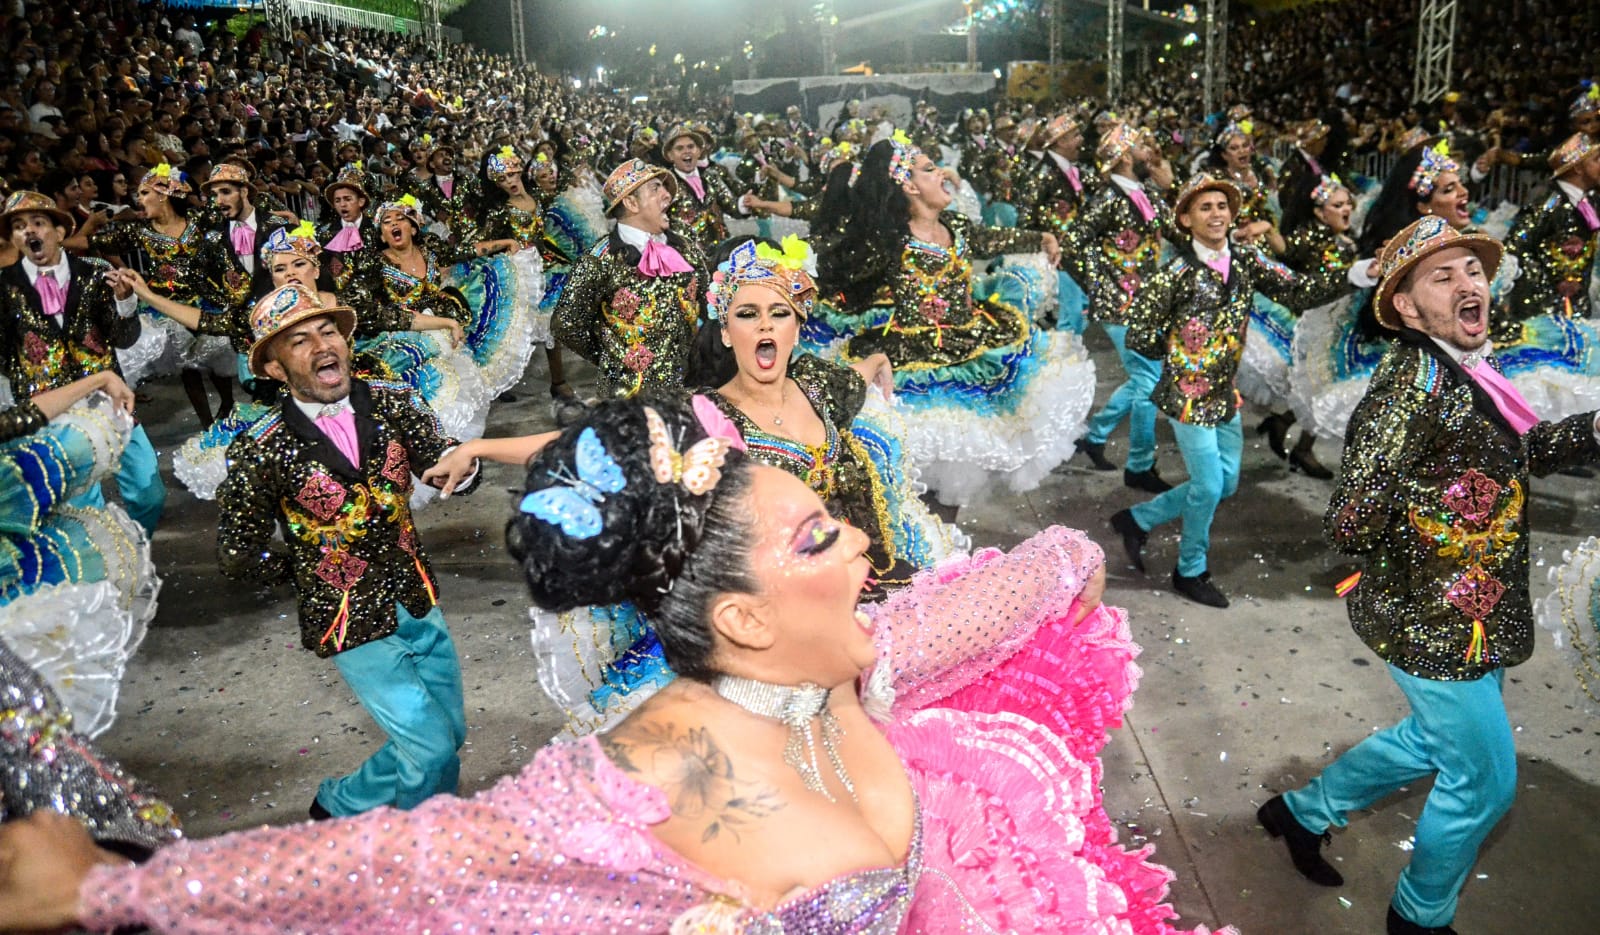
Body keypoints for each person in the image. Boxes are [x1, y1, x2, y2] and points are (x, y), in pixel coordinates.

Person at [0, 396, 1230, 935]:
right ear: (740, 620)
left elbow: (1009, 591)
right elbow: (402, 859)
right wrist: (116, 890)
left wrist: (1074, 552)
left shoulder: (853, 665)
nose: (862, 538)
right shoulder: (641, 776)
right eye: (819, 533)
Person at [1259, 217, 1600, 935]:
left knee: (1429, 744)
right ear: (1407, 307)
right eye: (1442, 277)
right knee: (1484, 782)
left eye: (1472, 271)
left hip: (1479, 609)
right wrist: (1430, 557)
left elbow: (1524, 451)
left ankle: (1298, 812)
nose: (1468, 284)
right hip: (1432, 624)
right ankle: (1418, 914)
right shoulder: (1408, 391)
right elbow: (1349, 520)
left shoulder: (1470, 364)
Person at [213, 285, 480, 820]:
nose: (321, 345)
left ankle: (343, 800)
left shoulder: (393, 398)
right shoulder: (260, 446)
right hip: (349, 619)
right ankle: (424, 850)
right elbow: (237, 554)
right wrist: (311, 572)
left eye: (328, 331)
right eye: (299, 340)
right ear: (273, 368)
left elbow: (444, 455)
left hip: (416, 594)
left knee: (449, 734)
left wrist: (463, 465)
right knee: (429, 749)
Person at [814, 135, 1090, 506]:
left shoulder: (957, 226)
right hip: (915, 367)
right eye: (929, 169)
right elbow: (838, 277)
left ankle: (943, 547)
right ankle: (929, 549)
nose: (942, 171)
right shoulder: (889, 239)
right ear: (909, 185)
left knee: (959, 473)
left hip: (972, 352)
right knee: (921, 477)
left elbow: (991, 238)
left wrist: (1041, 237)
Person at [1111, 176, 1343, 608]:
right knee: (1209, 484)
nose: (1216, 213)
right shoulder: (1173, 275)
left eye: (1222, 205)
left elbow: (1298, 288)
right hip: (1187, 396)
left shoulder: (1247, 260)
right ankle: (1190, 570)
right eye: (1205, 207)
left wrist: (1358, 274)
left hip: (1224, 394)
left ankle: (1136, 519)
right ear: (1185, 219)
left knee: (1226, 484)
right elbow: (1140, 335)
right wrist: (1185, 349)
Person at [0, 190, 164, 538]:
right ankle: (104, 575)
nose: (28, 231)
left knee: (149, 492)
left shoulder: (93, 274)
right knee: (83, 511)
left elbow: (123, 338)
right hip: (53, 416)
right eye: (18, 226)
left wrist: (125, 303)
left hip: (110, 401)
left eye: (38, 222)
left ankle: (134, 550)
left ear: (59, 232)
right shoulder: (3, 289)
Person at [1070, 124, 1174, 492]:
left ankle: (1095, 436)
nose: (1152, 151)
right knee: (1150, 381)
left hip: (1145, 303)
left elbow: (1174, 228)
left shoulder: (1143, 191)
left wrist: (1169, 184)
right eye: (1145, 147)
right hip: (1122, 306)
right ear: (1127, 156)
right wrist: (1103, 285)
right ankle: (1140, 464)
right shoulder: (1108, 198)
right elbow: (1072, 245)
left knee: (1143, 378)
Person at [553, 158, 709, 398]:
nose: (667, 195)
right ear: (631, 203)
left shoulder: (684, 247)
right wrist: (613, 358)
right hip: (628, 399)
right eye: (656, 188)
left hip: (689, 386)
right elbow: (566, 324)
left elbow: (707, 300)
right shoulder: (601, 259)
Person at [1501, 133, 1600, 321]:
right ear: (1578, 167)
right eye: (1596, 159)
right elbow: (1514, 248)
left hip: (1575, 307)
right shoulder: (1548, 204)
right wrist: (1549, 281)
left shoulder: (1590, 201)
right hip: (1544, 313)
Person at [661, 124, 748, 257]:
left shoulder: (711, 175)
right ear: (670, 155)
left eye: (691, 146)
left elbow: (731, 206)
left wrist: (746, 203)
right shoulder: (665, 184)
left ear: (699, 151)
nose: (687, 151)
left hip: (719, 253)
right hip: (683, 257)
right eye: (679, 148)